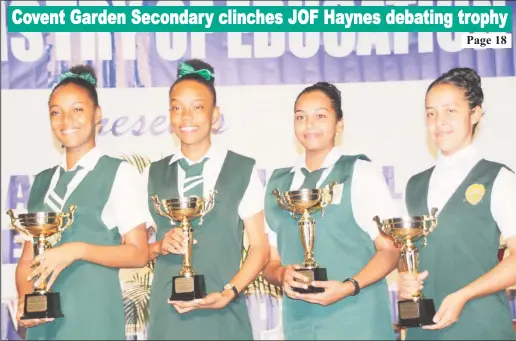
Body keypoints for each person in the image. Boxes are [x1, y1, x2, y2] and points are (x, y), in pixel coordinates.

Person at [14, 65, 150, 340]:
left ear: (97, 115)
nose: (66, 120)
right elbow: (28, 258)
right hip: (44, 326)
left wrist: (76, 250)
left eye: (77, 109)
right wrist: (25, 300)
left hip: (93, 320)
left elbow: (138, 253)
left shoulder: (117, 173)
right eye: (56, 112)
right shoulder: (42, 181)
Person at [143, 59, 270, 340]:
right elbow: (137, 250)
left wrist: (230, 292)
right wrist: (160, 247)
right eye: (177, 108)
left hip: (225, 315)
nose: (186, 117)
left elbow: (260, 248)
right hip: (169, 319)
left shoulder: (241, 169)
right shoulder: (153, 174)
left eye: (197, 107)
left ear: (215, 115)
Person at [262, 82, 400, 340]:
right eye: (301, 116)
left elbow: (391, 250)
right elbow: (271, 261)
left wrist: (349, 287)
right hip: (300, 324)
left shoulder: (359, 173)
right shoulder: (279, 184)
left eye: (320, 116)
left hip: (357, 322)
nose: (309, 124)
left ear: (339, 124)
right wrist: (281, 274)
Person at [399, 67, 516, 340]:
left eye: (450, 110)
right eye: (431, 113)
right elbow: (411, 256)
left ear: (474, 113)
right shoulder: (415, 185)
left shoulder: (497, 178)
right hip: (424, 330)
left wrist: (464, 294)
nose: (438, 121)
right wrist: (406, 278)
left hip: (480, 327)